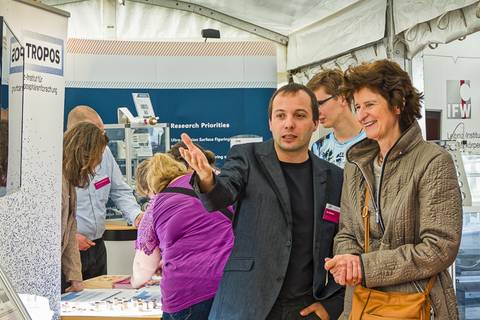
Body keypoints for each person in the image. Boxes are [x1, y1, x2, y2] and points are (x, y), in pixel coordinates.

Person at [179, 83, 345, 320]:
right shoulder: (247, 158)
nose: (289, 124)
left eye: (300, 115)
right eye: (281, 116)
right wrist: (206, 177)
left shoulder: (334, 177)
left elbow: (345, 241)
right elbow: (222, 194)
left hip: (305, 310)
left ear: (315, 123)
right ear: (270, 123)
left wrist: (333, 305)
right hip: (245, 305)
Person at [326, 60, 462, 319]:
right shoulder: (355, 165)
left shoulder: (433, 161)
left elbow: (439, 247)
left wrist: (365, 266)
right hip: (362, 305)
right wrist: (348, 260)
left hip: (417, 305)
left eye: (369, 105)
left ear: (397, 104)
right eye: (357, 107)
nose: (361, 115)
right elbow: (345, 233)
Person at [130, 153, 234, 320]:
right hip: (233, 283)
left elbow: (144, 268)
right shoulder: (212, 186)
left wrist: (134, 281)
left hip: (188, 293)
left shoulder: (156, 204)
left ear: (151, 187)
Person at [67, 105, 143, 280]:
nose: (101, 138)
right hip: (70, 250)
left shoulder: (105, 152)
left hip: (98, 247)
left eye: (102, 132)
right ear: (77, 132)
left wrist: (136, 215)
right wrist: (69, 239)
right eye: (96, 133)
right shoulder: (58, 159)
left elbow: (119, 190)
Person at [62, 122, 109, 293]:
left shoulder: (68, 181)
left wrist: (75, 278)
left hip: (86, 251)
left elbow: (69, 225)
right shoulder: (56, 181)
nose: (95, 167)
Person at [307, 69, 365, 168]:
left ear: (342, 99)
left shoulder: (373, 140)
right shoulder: (318, 148)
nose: (316, 112)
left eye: (320, 103)